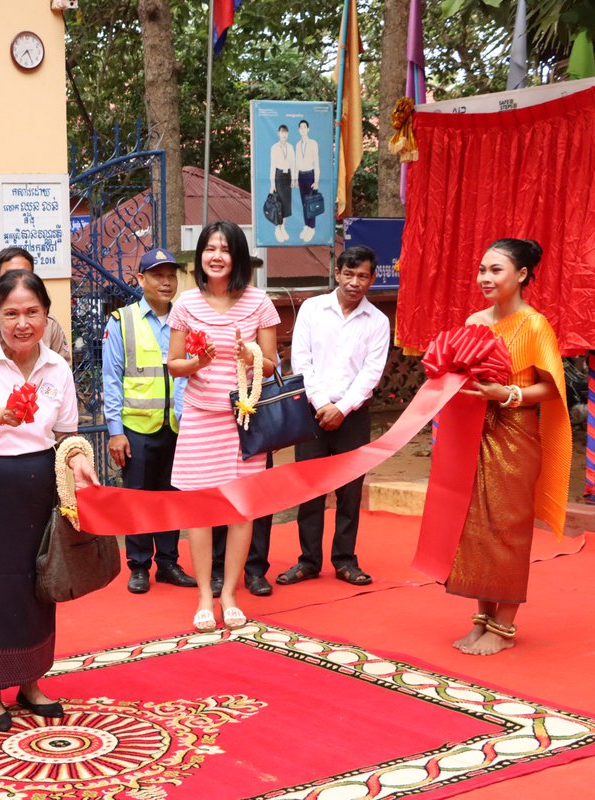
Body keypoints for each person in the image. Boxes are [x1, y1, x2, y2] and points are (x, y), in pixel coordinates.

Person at [0, 268, 97, 731]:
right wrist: (1, 416)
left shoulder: (57, 366)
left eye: (32, 312)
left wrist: (78, 459)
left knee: (38, 581)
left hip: (39, 480)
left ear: (46, 316)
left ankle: (31, 683)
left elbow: (67, 432)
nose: (22, 323)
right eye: (10, 313)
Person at [448, 238, 569, 656]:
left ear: (521, 275)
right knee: (474, 528)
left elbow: (551, 388)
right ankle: (481, 618)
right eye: (482, 269)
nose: (485, 277)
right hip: (474, 431)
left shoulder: (535, 325)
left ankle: (503, 627)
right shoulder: (474, 321)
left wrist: (508, 394)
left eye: (495, 270)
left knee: (508, 529)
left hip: (516, 434)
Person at [167, 221, 280, 633]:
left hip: (243, 421)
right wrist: (197, 363)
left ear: (238, 257)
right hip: (200, 419)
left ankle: (230, 593)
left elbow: (272, 365)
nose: (216, 257)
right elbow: (173, 365)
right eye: (209, 249)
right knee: (199, 511)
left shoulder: (259, 302)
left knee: (240, 512)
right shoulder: (185, 304)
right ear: (200, 256)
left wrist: (251, 357)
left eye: (225, 249)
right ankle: (204, 595)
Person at [278, 246, 390, 589]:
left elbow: (371, 373)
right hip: (311, 411)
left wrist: (342, 408)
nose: (354, 282)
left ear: (372, 279)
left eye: (362, 276)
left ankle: (345, 560)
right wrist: (322, 403)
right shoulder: (312, 309)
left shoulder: (378, 321)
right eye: (349, 274)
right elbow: (301, 361)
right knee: (309, 487)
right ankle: (308, 561)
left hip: (353, 415)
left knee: (350, 491)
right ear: (337, 273)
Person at [102, 248, 196, 594]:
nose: (166, 282)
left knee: (172, 497)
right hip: (137, 428)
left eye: (171, 276)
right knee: (139, 498)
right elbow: (111, 379)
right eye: (158, 276)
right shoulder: (121, 321)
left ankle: (168, 562)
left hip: (177, 425)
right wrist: (115, 432)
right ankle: (139, 565)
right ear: (141, 279)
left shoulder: (185, 321)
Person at [0, 247, 71, 364]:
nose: (22, 325)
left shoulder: (50, 325)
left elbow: (62, 366)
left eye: (25, 274)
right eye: (11, 314)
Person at [294, 119, 321, 242]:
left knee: (311, 202)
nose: (303, 129)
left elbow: (316, 163)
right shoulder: (297, 145)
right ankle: (306, 225)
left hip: (310, 175)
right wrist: (295, 178)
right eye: (301, 127)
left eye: (305, 127)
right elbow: (296, 162)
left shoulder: (313, 143)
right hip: (301, 176)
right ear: (299, 130)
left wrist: (316, 181)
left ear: (308, 129)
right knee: (304, 203)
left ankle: (312, 227)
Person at [268, 125, 294, 243]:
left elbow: (293, 163)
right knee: (279, 204)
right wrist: (272, 184)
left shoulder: (290, 147)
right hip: (278, 176)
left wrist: (294, 179)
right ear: (279, 133)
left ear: (288, 134)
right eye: (282, 132)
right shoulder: (274, 148)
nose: (284, 134)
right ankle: (277, 228)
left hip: (288, 176)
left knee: (286, 204)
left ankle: (283, 227)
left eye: (286, 132)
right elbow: (272, 166)